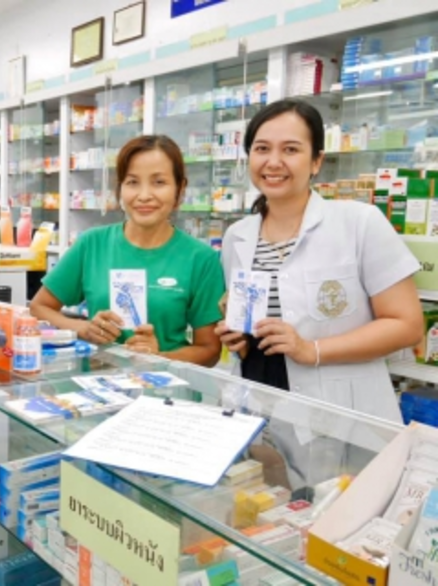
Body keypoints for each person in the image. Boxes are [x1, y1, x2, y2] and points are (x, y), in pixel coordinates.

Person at [214, 99, 424, 488]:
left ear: (316, 161)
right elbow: (257, 324)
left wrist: (311, 349)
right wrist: (239, 338)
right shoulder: (237, 236)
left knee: (339, 513)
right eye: (262, 148)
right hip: (260, 410)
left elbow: (407, 325)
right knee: (271, 514)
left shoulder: (359, 223)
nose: (273, 161)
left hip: (341, 419)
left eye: (290, 149)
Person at [30, 135, 225, 366]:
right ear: (120, 187)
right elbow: (38, 307)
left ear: (180, 189)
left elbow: (210, 350)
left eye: (159, 182)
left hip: (165, 386)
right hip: (97, 382)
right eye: (133, 182)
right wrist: (83, 328)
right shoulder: (92, 244)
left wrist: (159, 358)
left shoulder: (201, 258)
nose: (144, 195)